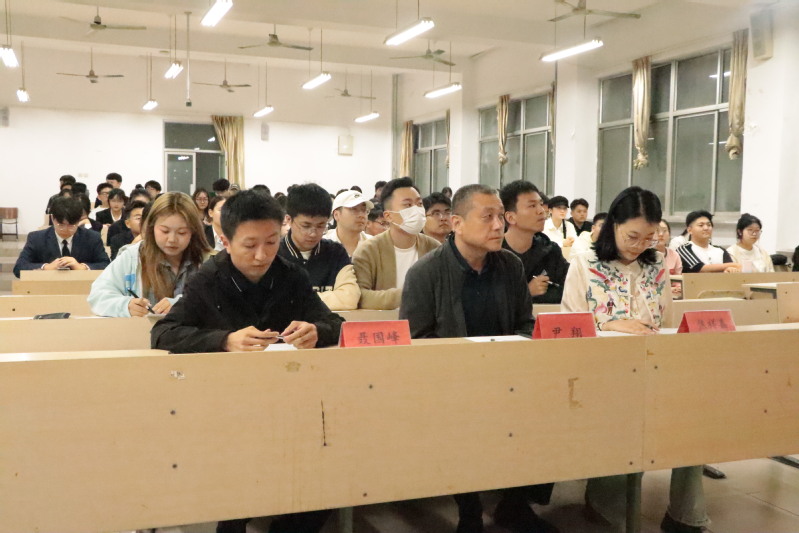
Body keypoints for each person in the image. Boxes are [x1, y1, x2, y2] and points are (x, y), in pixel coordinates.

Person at [400, 185, 556, 533]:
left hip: (507, 376)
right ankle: (469, 510)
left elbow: (526, 323)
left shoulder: (510, 265)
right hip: (450, 383)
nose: (499, 225)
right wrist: (467, 367)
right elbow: (414, 342)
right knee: (460, 422)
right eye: (487, 217)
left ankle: (514, 505)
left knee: (549, 408)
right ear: (457, 223)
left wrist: (512, 356)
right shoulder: (426, 273)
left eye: (500, 216)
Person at [562, 186, 707, 533]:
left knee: (696, 421)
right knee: (623, 422)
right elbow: (568, 326)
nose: (639, 245)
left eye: (648, 237)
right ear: (613, 224)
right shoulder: (585, 261)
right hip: (601, 373)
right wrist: (609, 324)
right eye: (632, 236)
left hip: (653, 367)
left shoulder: (656, 264)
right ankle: (605, 502)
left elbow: (667, 322)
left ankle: (686, 515)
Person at [88, 192, 210, 317]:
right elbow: (98, 295)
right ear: (151, 228)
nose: (172, 239)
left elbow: (219, 300)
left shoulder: (208, 261)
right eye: (165, 231)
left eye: (182, 232)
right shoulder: (132, 256)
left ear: (194, 231)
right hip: (143, 329)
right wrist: (125, 305)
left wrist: (184, 304)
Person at [353, 177, 440, 310]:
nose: (416, 210)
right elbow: (360, 296)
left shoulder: (435, 249)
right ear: (388, 216)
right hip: (386, 321)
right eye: (408, 205)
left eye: (419, 204)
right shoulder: (368, 250)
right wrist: (410, 294)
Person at [278, 183, 360, 311]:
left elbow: (349, 299)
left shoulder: (336, 253)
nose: (313, 233)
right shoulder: (274, 253)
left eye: (321, 226)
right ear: (289, 220)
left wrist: (294, 301)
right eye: (306, 226)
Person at [500, 180, 569, 305]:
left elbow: (570, 288)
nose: (541, 211)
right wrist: (526, 292)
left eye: (541, 204)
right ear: (510, 217)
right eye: (532, 206)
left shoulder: (550, 251)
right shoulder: (493, 254)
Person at [14, 196, 110, 277]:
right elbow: (19, 267)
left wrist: (82, 267)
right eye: (61, 225)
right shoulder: (36, 238)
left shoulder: (92, 238)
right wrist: (46, 267)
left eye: (71, 225)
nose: (66, 229)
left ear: (79, 220)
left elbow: (106, 265)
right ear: (52, 218)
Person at [676, 210, 741, 273]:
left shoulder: (721, 250)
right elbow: (700, 268)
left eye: (709, 225)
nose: (706, 228)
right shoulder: (684, 249)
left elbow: (731, 269)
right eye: (701, 225)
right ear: (689, 230)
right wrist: (734, 265)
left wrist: (730, 269)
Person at [324, 190, 374, 257]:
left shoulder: (374, 245)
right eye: (354, 209)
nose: (361, 215)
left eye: (364, 210)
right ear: (336, 215)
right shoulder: (322, 246)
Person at [656, 219, 683, 298]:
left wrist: (678, 288)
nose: (661, 234)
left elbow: (678, 279)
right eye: (657, 230)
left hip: (673, 296)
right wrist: (666, 290)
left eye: (664, 231)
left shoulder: (674, 255)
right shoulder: (643, 255)